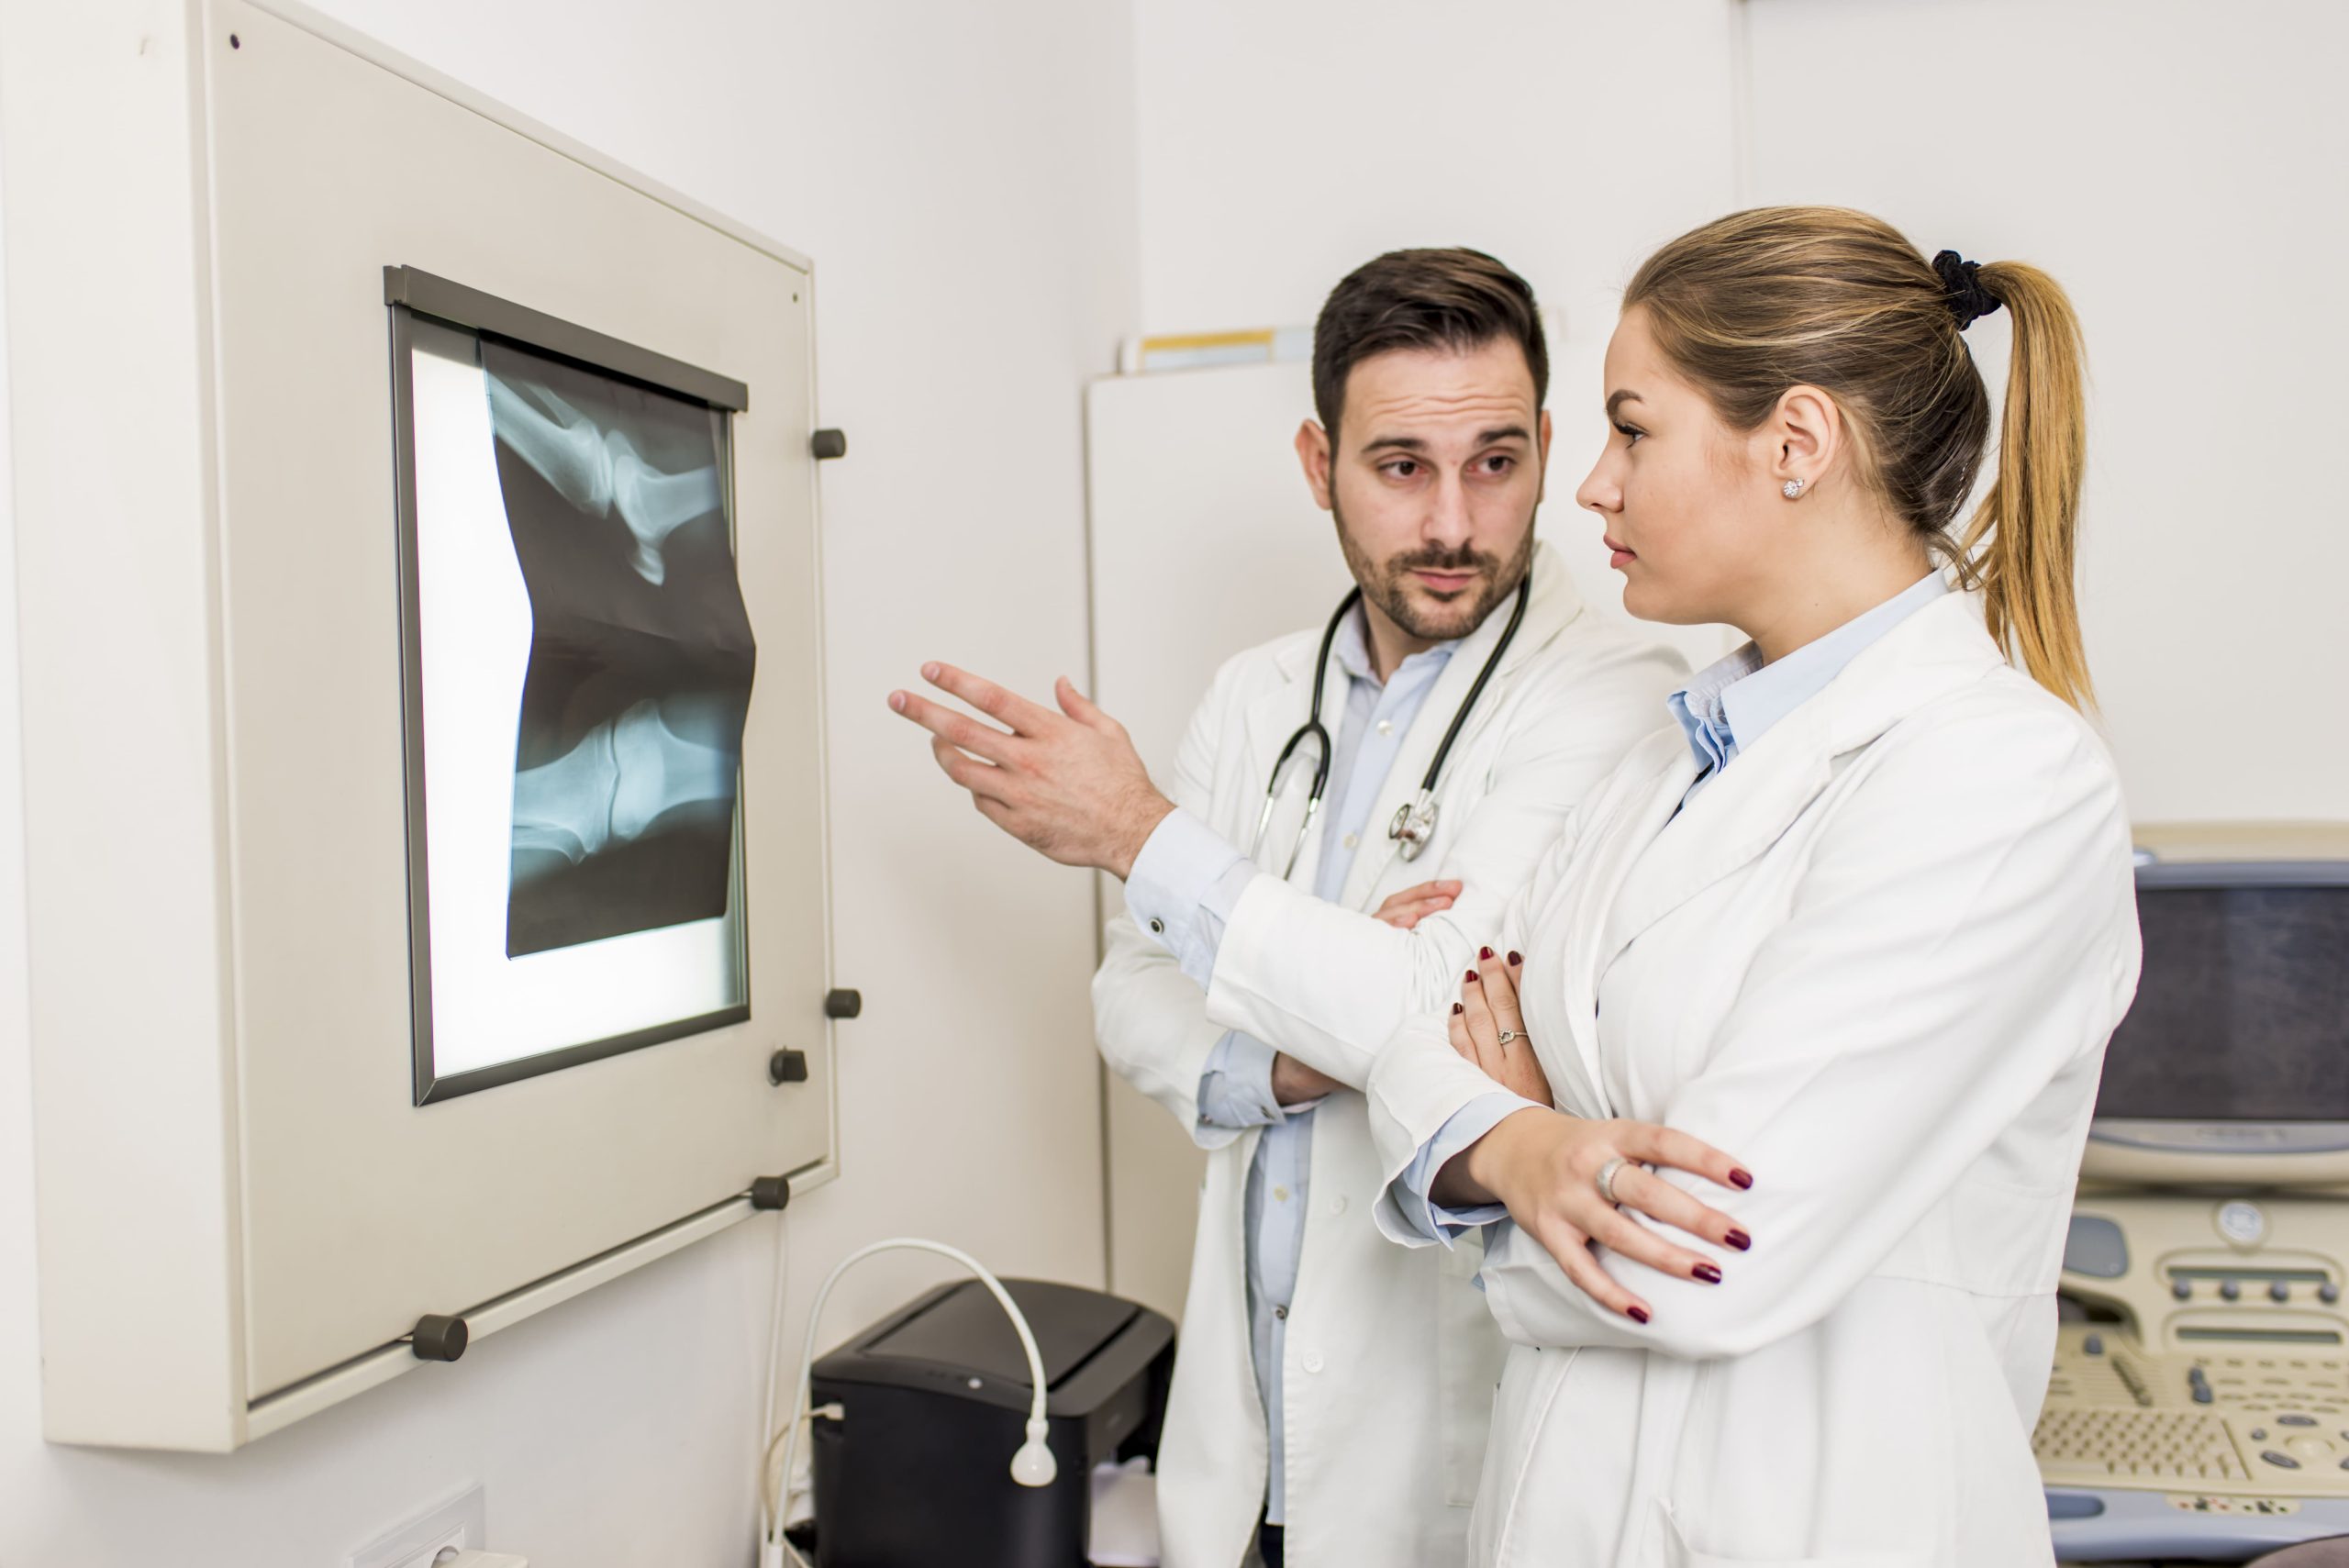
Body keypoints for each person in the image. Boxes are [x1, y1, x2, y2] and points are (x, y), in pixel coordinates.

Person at [1364, 206, 2143, 1566]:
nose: (1591, 486)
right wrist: (1525, 1151)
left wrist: (1501, 1150)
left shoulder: (2001, 780)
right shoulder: (1663, 758)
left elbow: (1710, 1253)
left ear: (1795, 443)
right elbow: (1422, 1024)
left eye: (1633, 430)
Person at [888, 249, 1689, 1567]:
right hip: (1239, 1444)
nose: (1453, 521)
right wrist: (1298, 1052)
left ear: (1549, 449)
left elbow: (1423, 1001)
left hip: (1447, 1468)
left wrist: (1142, 834)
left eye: (1496, 462)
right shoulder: (1256, 698)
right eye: (1400, 467)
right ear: (1319, 464)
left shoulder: (1616, 695)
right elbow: (1129, 996)